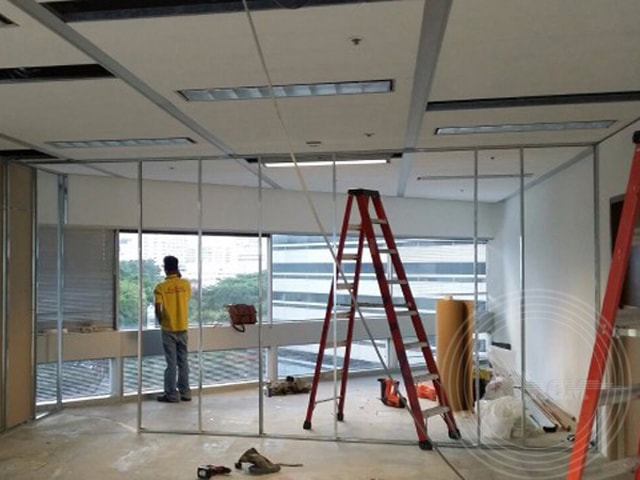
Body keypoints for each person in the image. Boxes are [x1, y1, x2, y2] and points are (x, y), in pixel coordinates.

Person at [154, 255, 192, 402]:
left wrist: (161, 320)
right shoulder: (186, 284)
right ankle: (185, 392)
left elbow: (158, 308)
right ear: (177, 266)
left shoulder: (161, 287)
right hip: (183, 327)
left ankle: (171, 394)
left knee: (171, 363)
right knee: (183, 361)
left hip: (168, 328)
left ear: (165, 268)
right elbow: (185, 300)